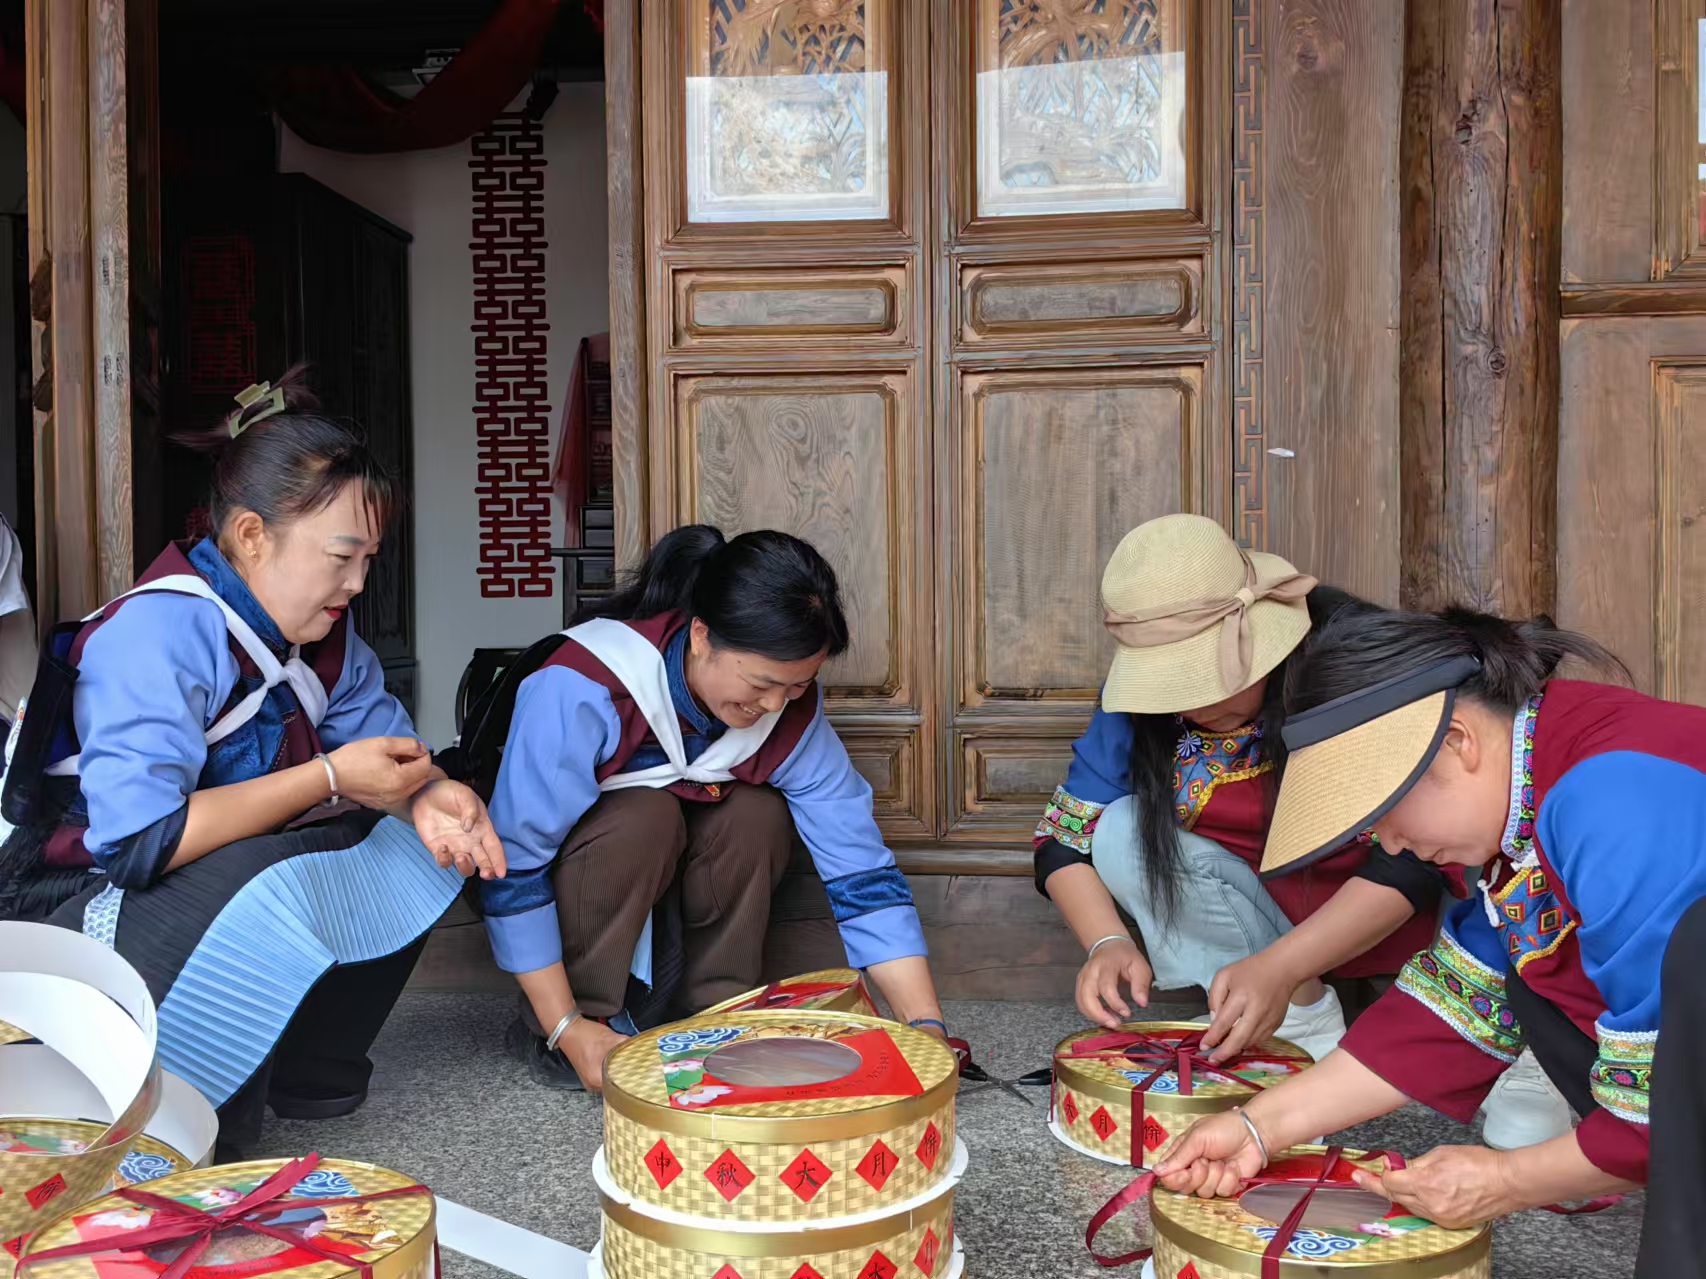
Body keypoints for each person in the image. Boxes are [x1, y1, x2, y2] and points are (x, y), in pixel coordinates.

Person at [0, 373, 503, 1158]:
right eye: (341, 555)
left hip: (185, 886)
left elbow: (395, 757)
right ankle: (193, 1120)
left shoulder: (327, 645)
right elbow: (138, 846)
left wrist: (438, 794)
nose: (359, 583)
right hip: (81, 911)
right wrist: (332, 777)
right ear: (250, 535)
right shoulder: (159, 631)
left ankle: (313, 1067)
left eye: (369, 558)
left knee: (414, 843)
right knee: (279, 864)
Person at [1155, 606, 1694, 1235]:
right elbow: (1449, 1010)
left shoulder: (1610, 802)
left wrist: (1504, 1181)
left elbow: (1675, 1103)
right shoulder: (1532, 797)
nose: (1390, 843)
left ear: (1457, 742)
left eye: (1384, 808)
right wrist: (1257, 1126)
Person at [1033, 515, 1566, 1145]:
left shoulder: (1350, 673)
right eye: (1169, 682)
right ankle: (1302, 1019)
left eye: (1197, 676)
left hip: (1418, 908)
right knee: (1120, 831)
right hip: (1269, 924)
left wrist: (1281, 966)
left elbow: (1413, 861)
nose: (1184, 704)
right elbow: (1064, 839)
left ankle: (1526, 1030)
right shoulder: (1141, 707)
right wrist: (1104, 944)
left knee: (1491, 827)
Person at [482, 524, 947, 1091]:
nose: (775, 704)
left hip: (683, 885)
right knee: (643, 817)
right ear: (700, 636)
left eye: (798, 687)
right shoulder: (584, 687)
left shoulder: (788, 713)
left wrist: (925, 1026)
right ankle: (581, 1025)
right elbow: (515, 863)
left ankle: (717, 1014)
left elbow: (860, 870)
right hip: (593, 892)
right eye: (763, 682)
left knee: (755, 814)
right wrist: (563, 1024)